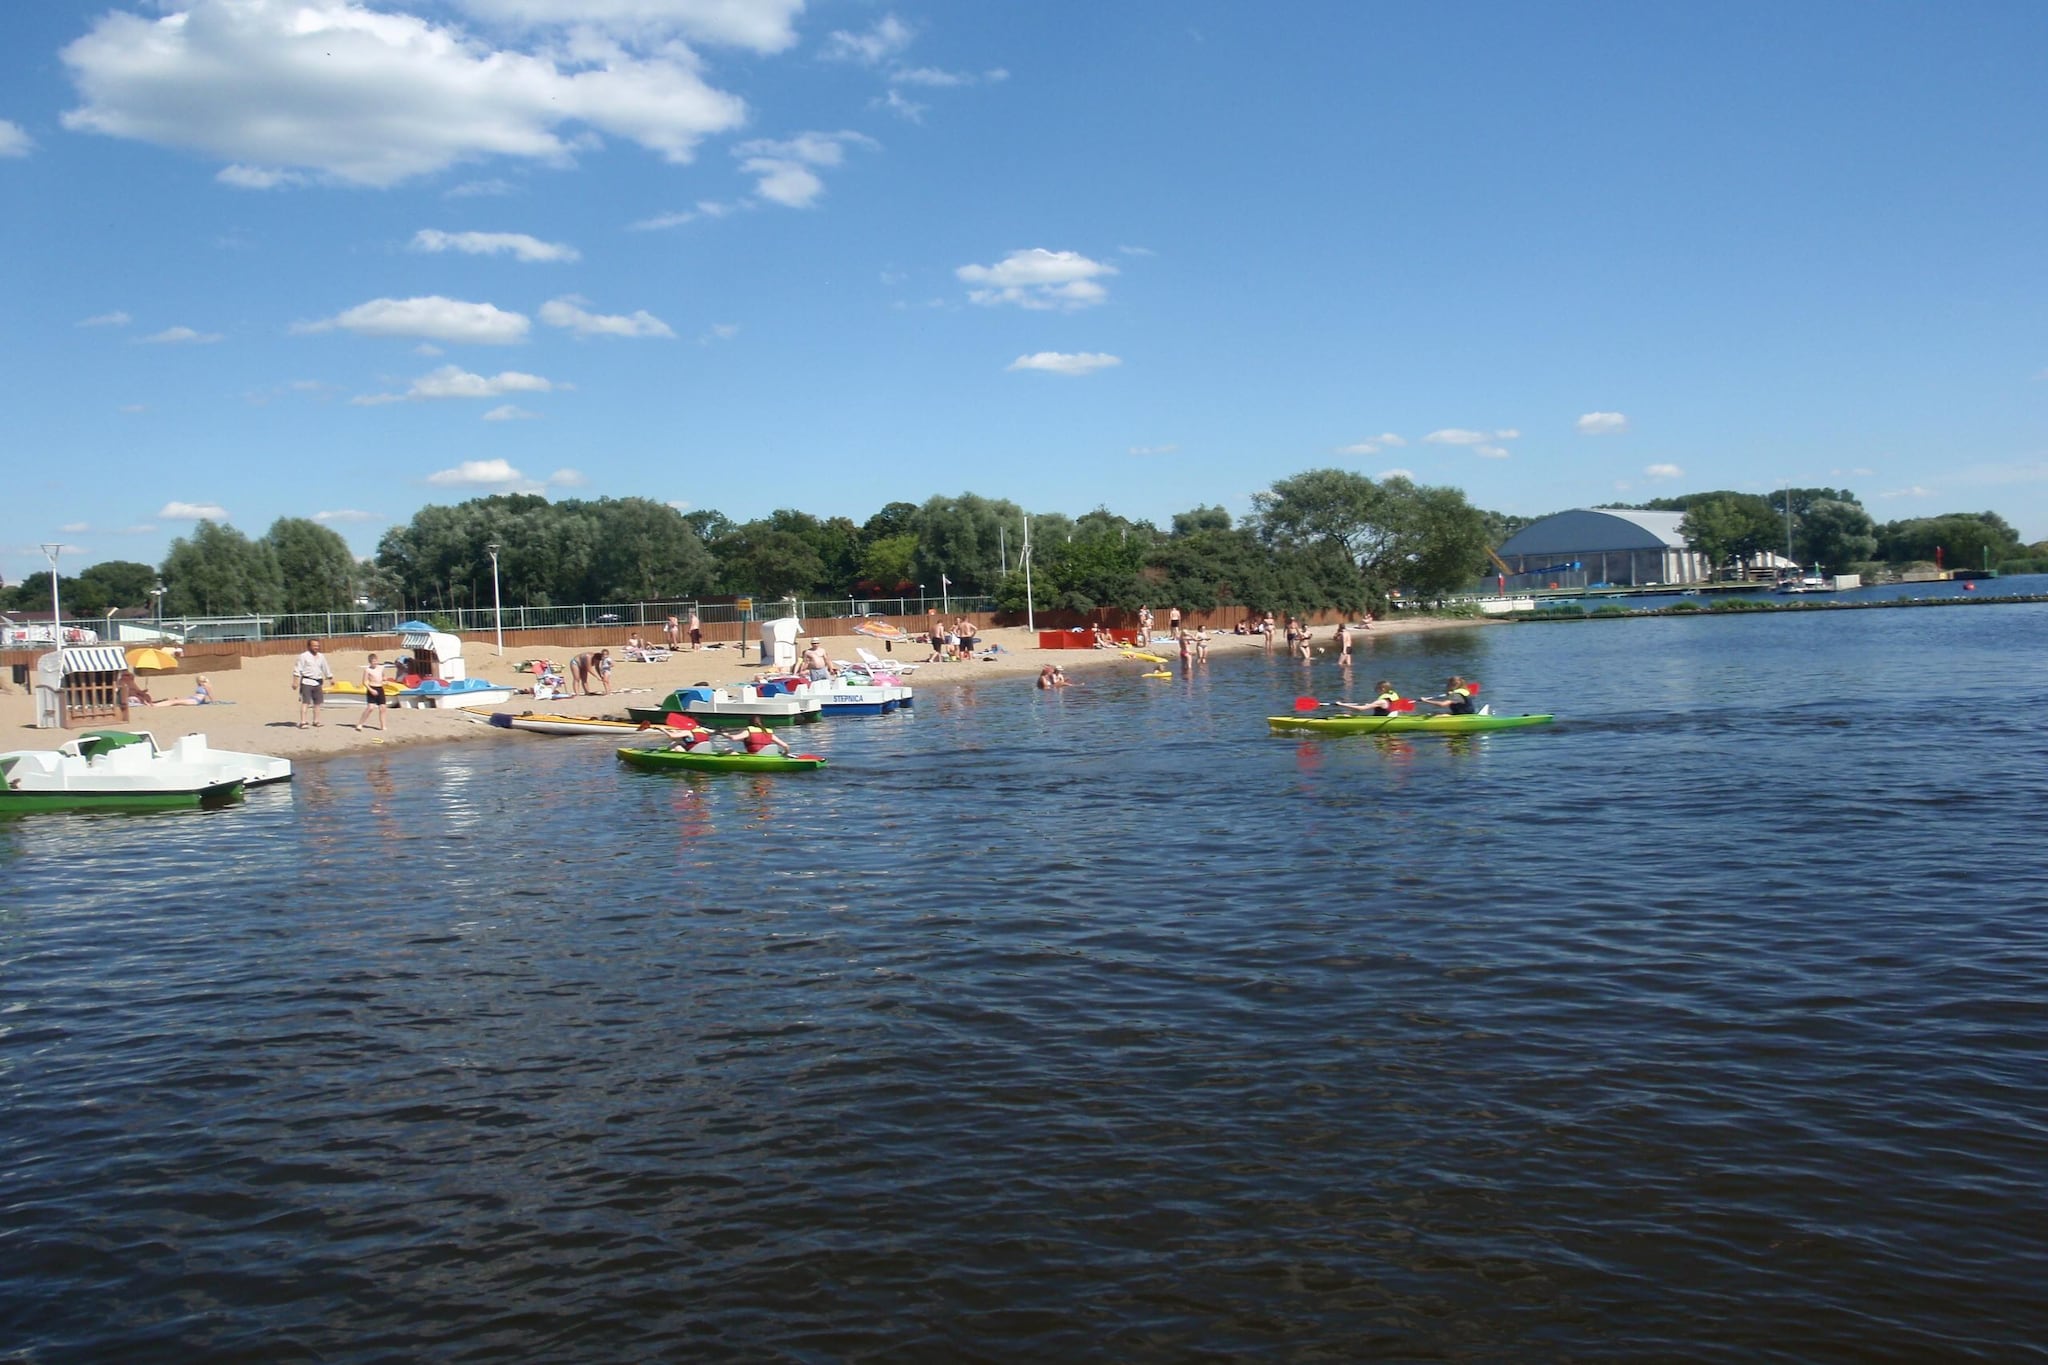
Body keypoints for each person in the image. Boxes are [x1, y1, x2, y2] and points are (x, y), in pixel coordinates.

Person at [293, 639, 333, 727]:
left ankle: (316, 721)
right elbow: (297, 669)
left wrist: (330, 678)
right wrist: (295, 681)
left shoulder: (321, 656)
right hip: (307, 681)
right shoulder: (303, 656)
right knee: (305, 702)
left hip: (318, 682)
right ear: (309, 646)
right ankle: (303, 721)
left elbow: (325, 667)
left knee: (317, 703)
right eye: (314, 646)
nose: (316, 647)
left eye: (317, 646)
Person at [354, 656, 386, 732]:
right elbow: (364, 682)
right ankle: (360, 724)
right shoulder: (367, 670)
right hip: (372, 688)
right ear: (370, 662)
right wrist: (371, 690)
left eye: (376, 661)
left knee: (383, 708)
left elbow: (384, 676)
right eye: (373, 661)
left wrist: (384, 680)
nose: (375, 663)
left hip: (380, 688)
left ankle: (383, 726)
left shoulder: (381, 668)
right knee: (370, 708)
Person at [1333, 680, 1403, 715]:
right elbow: (1399, 709)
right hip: (1391, 717)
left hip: (1381, 720)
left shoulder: (1381, 701)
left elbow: (1361, 708)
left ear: (1383, 689)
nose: (1376, 691)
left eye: (1377, 689)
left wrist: (1342, 705)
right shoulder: (1392, 695)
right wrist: (1371, 705)